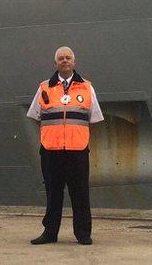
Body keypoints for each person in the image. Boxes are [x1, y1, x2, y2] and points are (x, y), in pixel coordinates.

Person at [26, 46, 103, 245]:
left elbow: (94, 118)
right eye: (61, 58)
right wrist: (54, 134)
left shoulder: (86, 87)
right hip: (51, 151)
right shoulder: (44, 87)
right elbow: (35, 115)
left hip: (77, 150)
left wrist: (75, 134)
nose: (65, 60)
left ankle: (83, 234)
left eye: (68, 58)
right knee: (53, 193)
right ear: (55, 63)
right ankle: (50, 233)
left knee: (80, 194)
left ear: (74, 62)